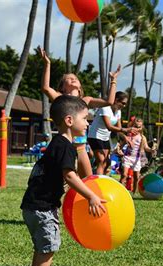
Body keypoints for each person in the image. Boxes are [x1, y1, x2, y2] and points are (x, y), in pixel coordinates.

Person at [20, 95, 106, 266]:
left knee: (43, 244)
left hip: (33, 205)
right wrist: (91, 195)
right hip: (42, 207)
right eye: (84, 118)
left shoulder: (57, 143)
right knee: (49, 244)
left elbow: (57, 175)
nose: (87, 123)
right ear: (69, 120)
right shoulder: (66, 147)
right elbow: (70, 175)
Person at [39, 48, 120, 179]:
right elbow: (45, 88)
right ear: (63, 87)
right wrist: (47, 64)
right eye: (69, 79)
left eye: (75, 78)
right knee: (63, 178)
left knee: (87, 179)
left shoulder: (85, 100)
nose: (73, 79)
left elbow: (109, 101)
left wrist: (113, 80)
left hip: (81, 144)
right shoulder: (61, 98)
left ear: (80, 86)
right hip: (64, 143)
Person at [87, 91, 137, 175]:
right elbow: (109, 127)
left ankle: (96, 175)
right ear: (116, 100)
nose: (124, 106)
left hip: (105, 138)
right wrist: (126, 130)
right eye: (123, 103)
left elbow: (118, 129)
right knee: (101, 161)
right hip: (95, 136)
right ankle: (98, 183)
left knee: (107, 162)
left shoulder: (118, 112)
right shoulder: (105, 108)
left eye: (125, 104)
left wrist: (125, 138)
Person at [117, 118, 156, 194]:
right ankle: (119, 191)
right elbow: (121, 145)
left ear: (142, 127)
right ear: (132, 126)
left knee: (136, 177)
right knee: (124, 175)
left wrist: (152, 150)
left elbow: (146, 148)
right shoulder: (128, 135)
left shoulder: (142, 137)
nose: (137, 128)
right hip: (127, 157)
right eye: (135, 126)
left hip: (136, 159)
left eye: (139, 127)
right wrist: (119, 150)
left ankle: (133, 193)